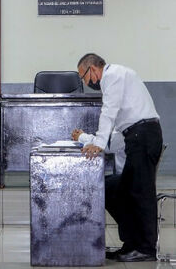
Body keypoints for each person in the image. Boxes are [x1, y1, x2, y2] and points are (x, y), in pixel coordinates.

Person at [71, 53, 161, 262]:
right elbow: (117, 129)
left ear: (92, 70)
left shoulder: (113, 76)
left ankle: (146, 249)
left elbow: (108, 112)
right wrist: (97, 140)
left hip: (144, 136)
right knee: (114, 189)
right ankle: (131, 244)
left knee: (141, 193)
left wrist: (98, 144)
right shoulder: (119, 76)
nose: (85, 82)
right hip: (137, 137)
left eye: (83, 77)